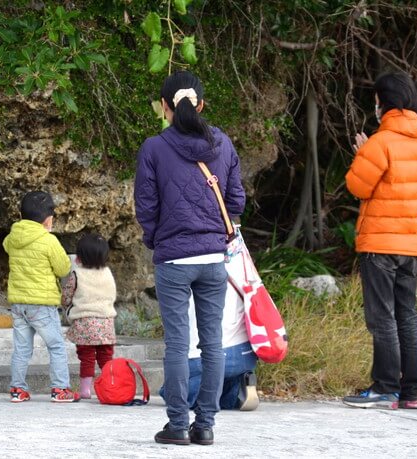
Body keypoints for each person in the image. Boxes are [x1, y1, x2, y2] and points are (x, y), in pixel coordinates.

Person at [134, 70, 245, 445]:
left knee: (177, 344)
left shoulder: (153, 148)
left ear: (165, 107)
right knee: (212, 342)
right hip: (214, 258)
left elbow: (146, 208)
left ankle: (178, 424)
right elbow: (236, 200)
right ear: (201, 105)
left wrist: (157, 240)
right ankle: (206, 425)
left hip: (173, 261)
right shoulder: (223, 144)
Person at [343, 72, 417, 410]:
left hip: (379, 243)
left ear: (384, 102)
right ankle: (410, 391)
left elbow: (358, 186)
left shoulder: (381, 142)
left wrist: (363, 153)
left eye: (376, 101)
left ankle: (384, 386)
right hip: (410, 243)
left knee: (382, 317)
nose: (375, 107)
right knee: (407, 315)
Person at [3, 191, 80, 403]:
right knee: (55, 346)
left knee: (22, 348)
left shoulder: (13, 237)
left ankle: (17, 389)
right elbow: (64, 268)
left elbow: (6, 246)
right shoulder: (48, 240)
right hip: (42, 304)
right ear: (48, 218)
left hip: (19, 303)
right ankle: (60, 389)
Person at [160, 278, 259, 411]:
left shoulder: (184, 270)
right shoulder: (241, 265)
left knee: (171, 393)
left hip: (205, 357)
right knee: (219, 373)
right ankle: (239, 387)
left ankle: (213, 394)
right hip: (246, 355)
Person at [61, 233, 117, 400]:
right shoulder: (108, 273)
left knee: (86, 358)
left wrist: (66, 305)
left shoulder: (77, 274)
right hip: (106, 323)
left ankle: (86, 389)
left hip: (84, 324)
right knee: (106, 358)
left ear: (80, 257)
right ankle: (111, 385)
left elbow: (66, 296)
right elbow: (111, 295)